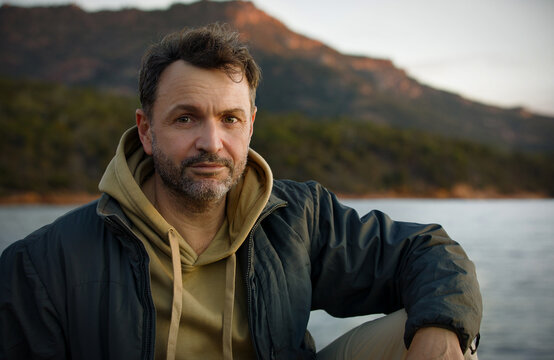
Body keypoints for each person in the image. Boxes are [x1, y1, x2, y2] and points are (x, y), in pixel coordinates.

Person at [0, 24, 481, 360]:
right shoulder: (45, 262)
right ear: (146, 131)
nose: (212, 143)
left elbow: (430, 251)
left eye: (229, 119)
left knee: (431, 327)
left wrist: (440, 336)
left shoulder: (297, 218)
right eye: (185, 118)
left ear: (250, 126)